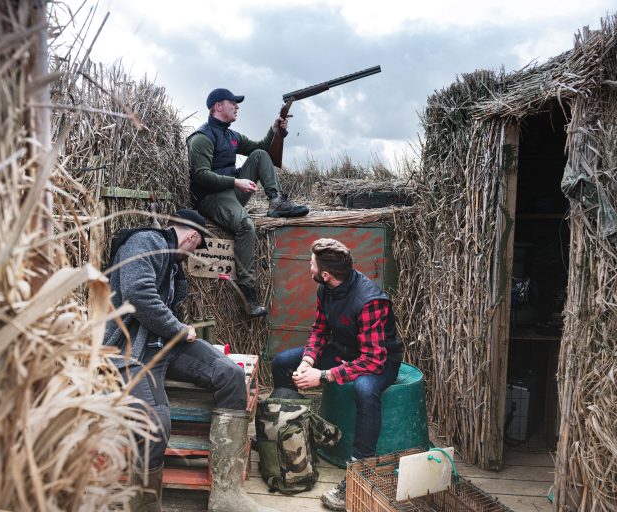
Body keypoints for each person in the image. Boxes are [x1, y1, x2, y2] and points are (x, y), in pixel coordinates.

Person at [103, 209, 277, 512]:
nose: (193, 253)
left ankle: (226, 493)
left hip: (166, 344)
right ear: (192, 237)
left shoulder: (171, 263)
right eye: (196, 248)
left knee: (231, 375)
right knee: (154, 426)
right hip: (134, 351)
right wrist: (179, 328)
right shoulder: (144, 242)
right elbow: (138, 294)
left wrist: (177, 330)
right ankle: (144, 506)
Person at [270, 238, 404, 512]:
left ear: (325, 273)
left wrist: (323, 376)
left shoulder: (370, 301)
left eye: (311, 263)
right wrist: (308, 360)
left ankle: (358, 473)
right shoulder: (327, 290)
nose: (310, 266)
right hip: (343, 349)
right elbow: (320, 330)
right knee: (283, 362)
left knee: (365, 390)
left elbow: (373, 358)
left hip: (380, 360)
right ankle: (293, 439)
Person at [187, 88, 309, 317]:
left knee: (260, 155)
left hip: (233, 190)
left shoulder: (231, 136)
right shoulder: (202, 138)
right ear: (218, 106)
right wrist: (235, 182)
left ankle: (277, 202)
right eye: (232, 103)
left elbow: (261, 149)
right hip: (211, 197)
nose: (237, 106)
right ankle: (248, 293)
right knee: (246, 225)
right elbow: (200, 175)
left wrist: (274, 131)